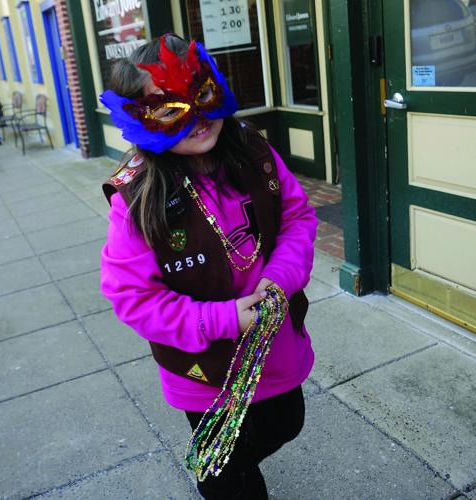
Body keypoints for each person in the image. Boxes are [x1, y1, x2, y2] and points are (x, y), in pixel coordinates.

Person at [99, 34, 316, 499]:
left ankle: (225, 469)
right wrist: (220, 318)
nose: (196, 120)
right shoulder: (137, 199)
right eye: (169, 109)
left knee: (285, 423)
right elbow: (132, 295)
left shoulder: (255, 153)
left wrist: (279, 279)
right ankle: (224, 477)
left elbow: (297, 217)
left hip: (274, 346)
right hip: (203, 369)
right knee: (228, 477)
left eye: (201, 97)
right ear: (139, 119)